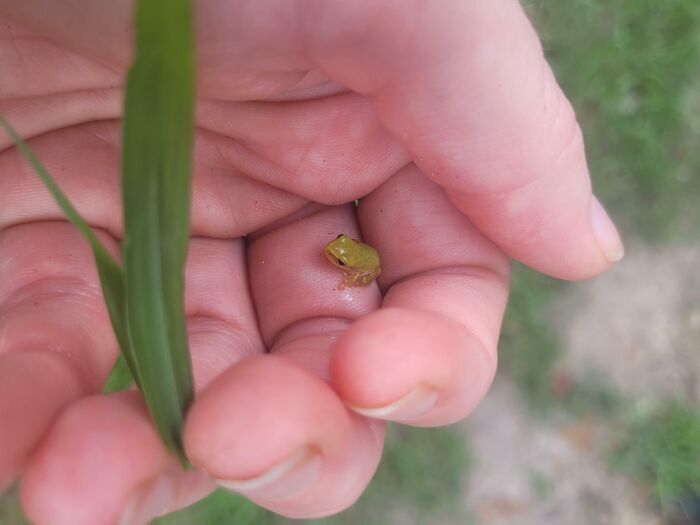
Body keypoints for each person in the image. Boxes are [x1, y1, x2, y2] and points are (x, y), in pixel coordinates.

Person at [0, 1, 624, 524]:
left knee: (312, 393)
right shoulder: (334, 247)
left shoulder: (352, 254)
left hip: (357, 253)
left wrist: (353, 272)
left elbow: (361, 265)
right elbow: (343, 259)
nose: (332, 254)